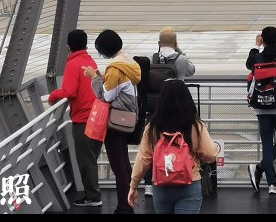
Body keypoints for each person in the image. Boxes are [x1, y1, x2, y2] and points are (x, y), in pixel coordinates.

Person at [128, 79, 220, 214]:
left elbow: (143, 158)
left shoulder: (153, 126)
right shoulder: (194, 125)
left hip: (161, 184)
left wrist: (133, 186)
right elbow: (211, 155)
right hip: (189, 184)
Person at [85, 29, 142, 214]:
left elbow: (106, 97)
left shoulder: (114, 69)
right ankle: (128, 202)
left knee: (119, 166)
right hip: (127, 119)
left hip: (115, 123)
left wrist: (94, 79)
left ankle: (124, 206)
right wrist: (103, 79)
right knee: (124, 163)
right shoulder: (128, 63)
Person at [48, 29, 103, 207]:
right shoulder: (90, 61)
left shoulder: (73, 64)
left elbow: (70, 91)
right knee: (91, 157)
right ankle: (92, 194)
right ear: (86, 45)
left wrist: (53, 95)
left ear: (68, 47)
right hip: (97, 117)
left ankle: (93, 197)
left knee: (85, 160)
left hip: (83, 119)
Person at [141, 27, 197, 194]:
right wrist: (179, 50)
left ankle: (150, 182)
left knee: (154, 144)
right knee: (179, 144)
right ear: (175, 42)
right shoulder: (180, 59)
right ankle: (178, 174)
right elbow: (192, 70)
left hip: (155, 108)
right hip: (178, 109)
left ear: (159, 43)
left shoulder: (153, 58)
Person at [245, 25, 276, 195]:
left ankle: (270, 182)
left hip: (260, 106)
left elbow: (248, 64)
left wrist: (258, 46)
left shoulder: (257, 56)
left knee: (267, 143)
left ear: (263, 40)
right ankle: (260, 170)